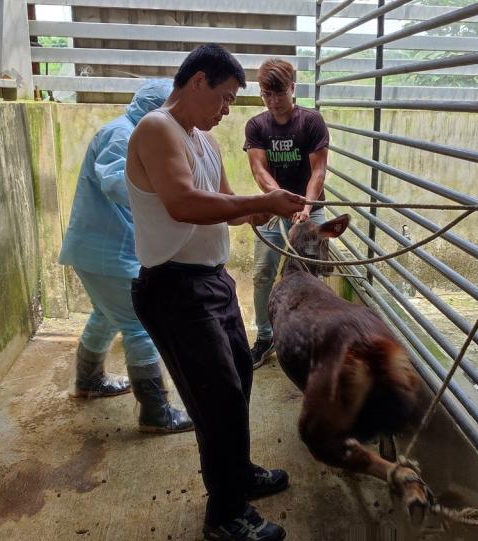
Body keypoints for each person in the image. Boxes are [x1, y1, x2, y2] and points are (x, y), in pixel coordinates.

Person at [126, 44, 304, 541]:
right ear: (198, 81)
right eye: (224, 98)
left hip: (210, 280)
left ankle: (237, 472)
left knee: (238, 378)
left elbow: (228, 203)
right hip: (174, 285)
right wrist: (258, 200)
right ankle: (225, 516)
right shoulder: (158, 128)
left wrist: (266, 209)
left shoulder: (201, 140)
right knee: (217, 397)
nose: (227, 110)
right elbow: (183, 203)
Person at [58, 79, 193, 434]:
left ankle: (89, 380)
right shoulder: (123, 135)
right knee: (138, 325)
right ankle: (155, 411)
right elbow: (117, 184)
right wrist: (167, 198)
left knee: (106, 314)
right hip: (106, 251)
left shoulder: (131, 132)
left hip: (101, 250)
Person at [243, 58, 330, 369]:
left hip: (310, 208)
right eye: (266, 94)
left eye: (279, 93)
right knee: (262, 272)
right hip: (273, 207)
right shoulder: (256, 125)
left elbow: (318, 171)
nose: (273, 101)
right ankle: (265, 337)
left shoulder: (311, 121)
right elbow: (259, 170)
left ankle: (311, 335)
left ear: (293, 88)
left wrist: (306, 207)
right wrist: (279, 200)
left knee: (313, 275)